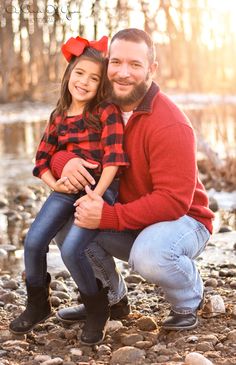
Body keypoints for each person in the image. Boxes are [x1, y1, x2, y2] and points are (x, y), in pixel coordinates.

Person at [51, 28, 215, 332]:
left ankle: (188, 298)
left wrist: (108, 215)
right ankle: (111, 298)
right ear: (106, 64)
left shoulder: (170, 124)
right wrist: (67, 161)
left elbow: (173, 201)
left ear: (151, 69)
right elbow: (55, 149)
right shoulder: (97, 109)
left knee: (150, 256)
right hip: (132, 218)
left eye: (135, 65)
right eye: (116, 63)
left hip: (184, 220)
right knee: (64, 218)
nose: (123, 73)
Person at [9, 34, 129, 345]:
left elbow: (115, 160)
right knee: (34, 241)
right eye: (79, 73)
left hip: (102, 188)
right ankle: (38, 304)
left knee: (73, 249)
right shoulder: (59, 116)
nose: (85, 82)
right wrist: (56, 184)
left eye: (94, 78)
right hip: (66, 188)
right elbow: (42, 160)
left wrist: (97, 195)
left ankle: (97, 306)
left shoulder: (106, 112)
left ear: (101, 84)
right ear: (68, 74)